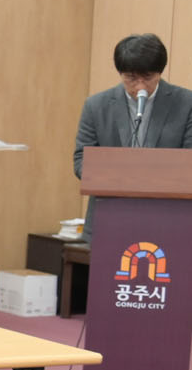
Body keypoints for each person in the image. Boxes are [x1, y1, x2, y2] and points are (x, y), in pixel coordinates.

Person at [74, 33, 192, 234]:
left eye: (148, 77)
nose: (140, 86)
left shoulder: (186, 103)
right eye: (131, 78)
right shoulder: (96, 106)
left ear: (160, 72)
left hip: (169, 222)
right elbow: (81, 161)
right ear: (120, 73)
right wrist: (122, 178)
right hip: (109, 220)